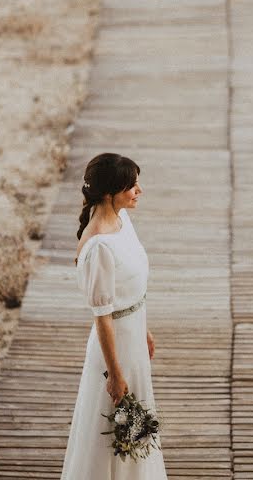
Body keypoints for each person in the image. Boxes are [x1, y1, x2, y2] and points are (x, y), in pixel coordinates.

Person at [60, 153, 168, 480]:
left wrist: (144, 330)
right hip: (115, 349)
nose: (139, 190)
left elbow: (131, 288)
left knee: (136, 428)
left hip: (133, 338)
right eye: (131, 186)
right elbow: (103, 317)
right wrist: (115, 374)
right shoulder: (99, 247)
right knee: (111, 428)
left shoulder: (121, 219)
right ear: (109, 192)